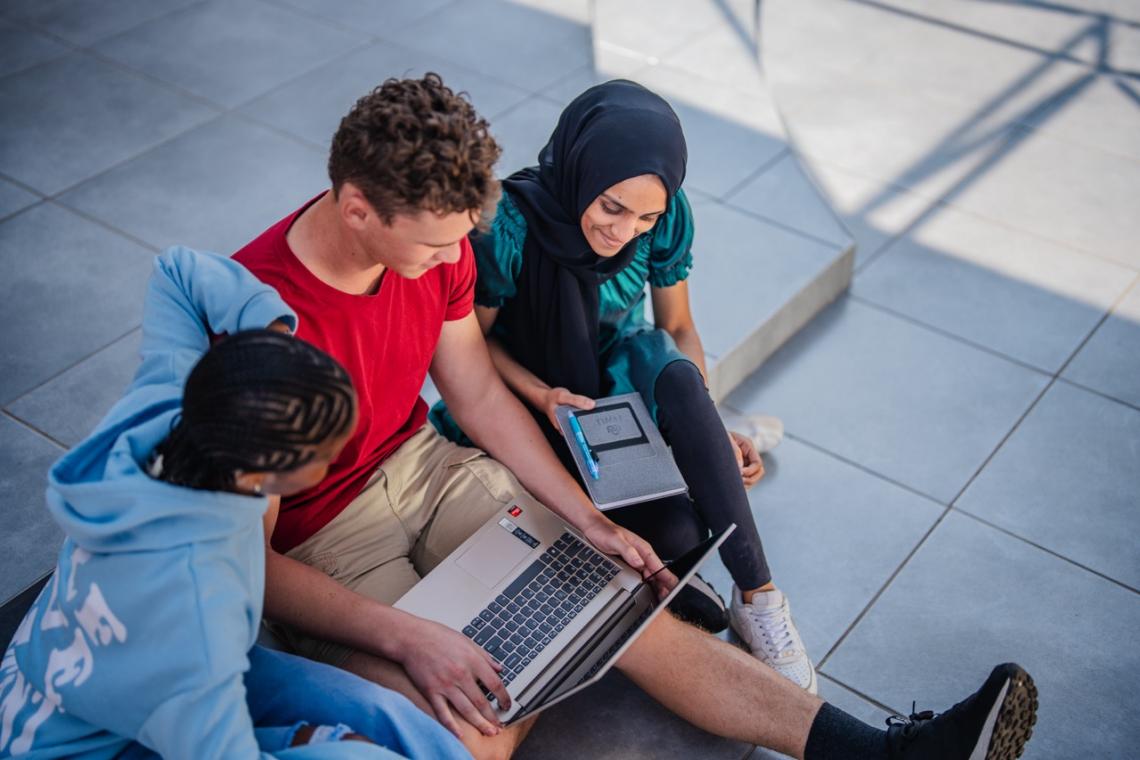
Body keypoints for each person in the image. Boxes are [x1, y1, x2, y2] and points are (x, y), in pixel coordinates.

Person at [233, 73, 1037, 760]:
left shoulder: (438, 244)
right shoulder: (258, 324)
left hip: (426, 468)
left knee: (622, 592)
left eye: (458, 245)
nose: (455, 265)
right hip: (326, 538)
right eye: (437, 249)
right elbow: (251, 562)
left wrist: (587, 520)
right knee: (474, 730)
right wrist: (411, 638)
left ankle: (880, 753)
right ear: (357, 209)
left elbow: (474, 393)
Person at [0, 247, 470, 760]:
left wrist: (267, 335)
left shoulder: (171, 401)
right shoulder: (199, 609)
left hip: (122, 678)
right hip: (85, 744)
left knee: (397, 720)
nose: (346, 451)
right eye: (328, 452)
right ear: (260, 472)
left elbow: (178, 272)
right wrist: (313, 741)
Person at [428, 78, 813, 690]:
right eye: (611, 207)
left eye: (645, 217)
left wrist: (704, 427)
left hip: (614, 382)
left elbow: (679, 326)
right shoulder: (511, 223)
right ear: (581, 168)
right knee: (680, 531)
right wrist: (543, 396)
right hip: (529, 399)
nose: (624, 230)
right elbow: (471, 351)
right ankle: (663, 575)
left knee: (679, 379)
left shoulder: (664, 217)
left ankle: (759, 597)